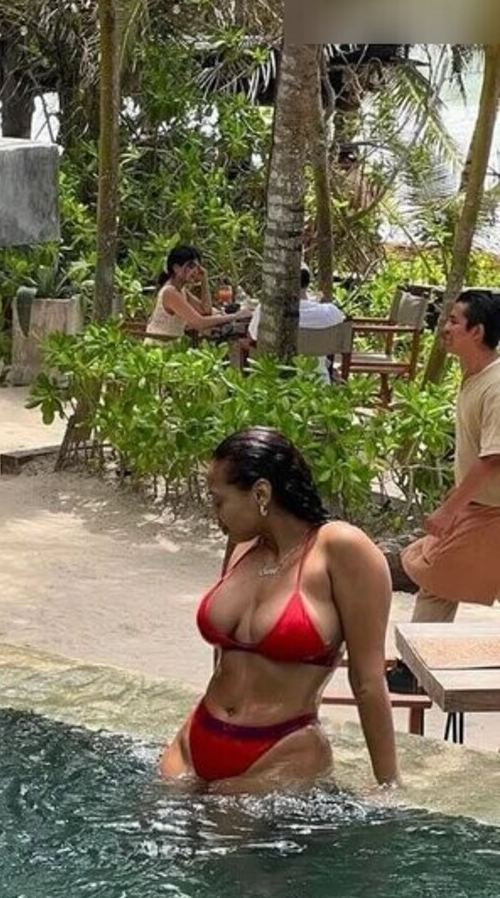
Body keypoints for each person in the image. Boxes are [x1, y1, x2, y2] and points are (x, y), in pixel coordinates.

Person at [159, 427, 399, 793]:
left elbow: (368, 681)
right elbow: (224, 658)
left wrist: (389, 786)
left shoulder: (341, 549)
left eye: (219, 501)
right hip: (197, 739)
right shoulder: (242, 546)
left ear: (261, 493)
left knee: (222, 830)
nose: (214, 515)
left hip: (283, 750)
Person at [393, 289, 500, 637]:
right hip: (480, 506)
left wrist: (449, 511)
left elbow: (492, 458)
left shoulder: (496, 385)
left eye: (454, 321)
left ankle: (416, 658)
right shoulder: (475, 376)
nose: (445, 327)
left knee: (436, 575)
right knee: (437, 581)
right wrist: (456, 499)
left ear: (477, 331)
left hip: (491, 512)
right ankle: (417, 658)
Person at [242, 267, 346, 379]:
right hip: (318, 379)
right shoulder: (330, 312)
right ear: (307, 284)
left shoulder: (267, 310)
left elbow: (252, 336)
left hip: (277, 380)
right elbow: (342, 332)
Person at [145, 244, 253, 340]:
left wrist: (204, 280)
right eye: (191, 266)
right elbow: (199, 323)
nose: (195, 271)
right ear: (176, 268)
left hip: (173, 345)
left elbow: (205, 311)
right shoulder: (170, 292)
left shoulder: (181, 290)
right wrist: (236, 316)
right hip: (159, 347)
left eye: (197, 267)